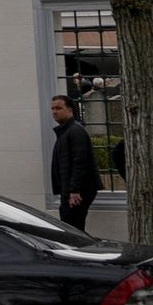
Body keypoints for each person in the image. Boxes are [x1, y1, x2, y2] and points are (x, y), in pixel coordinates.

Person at [49, 94, 101, 231]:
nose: (54, 112)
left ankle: (80, 251)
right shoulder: (66, 132)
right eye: (53, 108)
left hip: (76, 192)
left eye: (59, 108)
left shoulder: (75, 131)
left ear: (70, 111)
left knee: (73, 228)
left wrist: (74, 191)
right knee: (71, 225)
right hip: (70, 190)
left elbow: (79, 162)